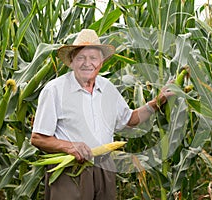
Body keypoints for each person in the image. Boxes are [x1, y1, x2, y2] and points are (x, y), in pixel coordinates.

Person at [31, 29, 174, 200]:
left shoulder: (108, 89)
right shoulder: (54, 90)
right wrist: (69, 146)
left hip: (105, 167)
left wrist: (157, 102)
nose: (87, 63)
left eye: (93, 58)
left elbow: (130, 119)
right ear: (71, 61)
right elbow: (38, 138)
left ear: (101, 62)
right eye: (81, 57)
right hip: (71, 171)